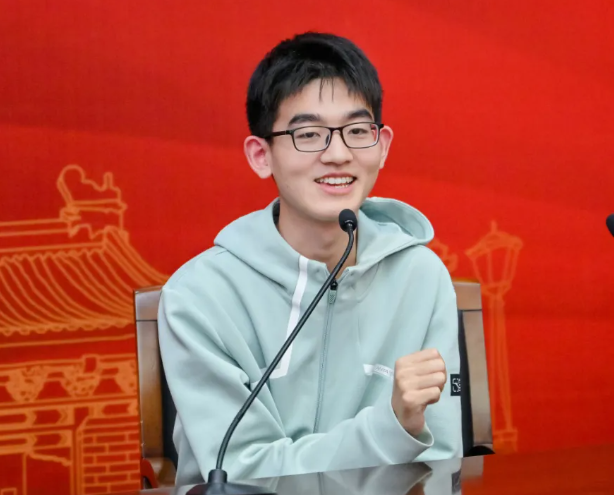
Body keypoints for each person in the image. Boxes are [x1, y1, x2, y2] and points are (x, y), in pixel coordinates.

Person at [157, 31, 462, 485]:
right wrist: (390, 426)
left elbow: (440, 463)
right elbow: (240, 473)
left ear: (382, 146)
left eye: (357, 131)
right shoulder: (199, 297)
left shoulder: (421, 277)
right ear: (261, 155)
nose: (337, 154)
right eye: (309, 135)